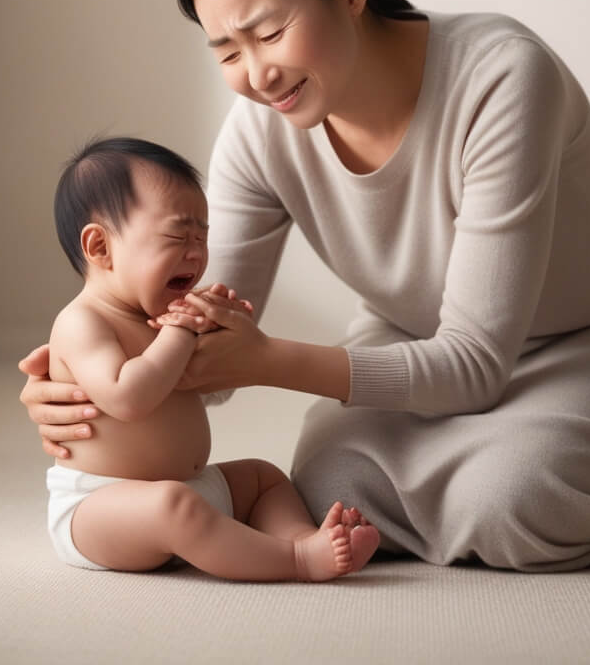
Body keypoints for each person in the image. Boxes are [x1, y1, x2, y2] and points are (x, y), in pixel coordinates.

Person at [22, 0, 590, 572]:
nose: (257, 74)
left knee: (511, 504)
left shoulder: (502, 79)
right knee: (326, 492)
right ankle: (548, 448)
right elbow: (199, 336)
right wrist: (87, 380)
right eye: (227, 51)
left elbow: (474, 361)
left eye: (271, 31)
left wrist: (267, 359)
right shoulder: (259, 134)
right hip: (417, 340)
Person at [41, 135, 380, 580]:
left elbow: (215, 378)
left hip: (191, 488)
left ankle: (300, 537)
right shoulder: (82, 322)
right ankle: (295, 562)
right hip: (102, 507)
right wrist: (181, 329)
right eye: (177, 236)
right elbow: (129, 397)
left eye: (202, 237)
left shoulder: (160, 314)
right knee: (172, 506)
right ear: (100, 247)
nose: (197, 254)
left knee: (262, 478)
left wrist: (225, 328)